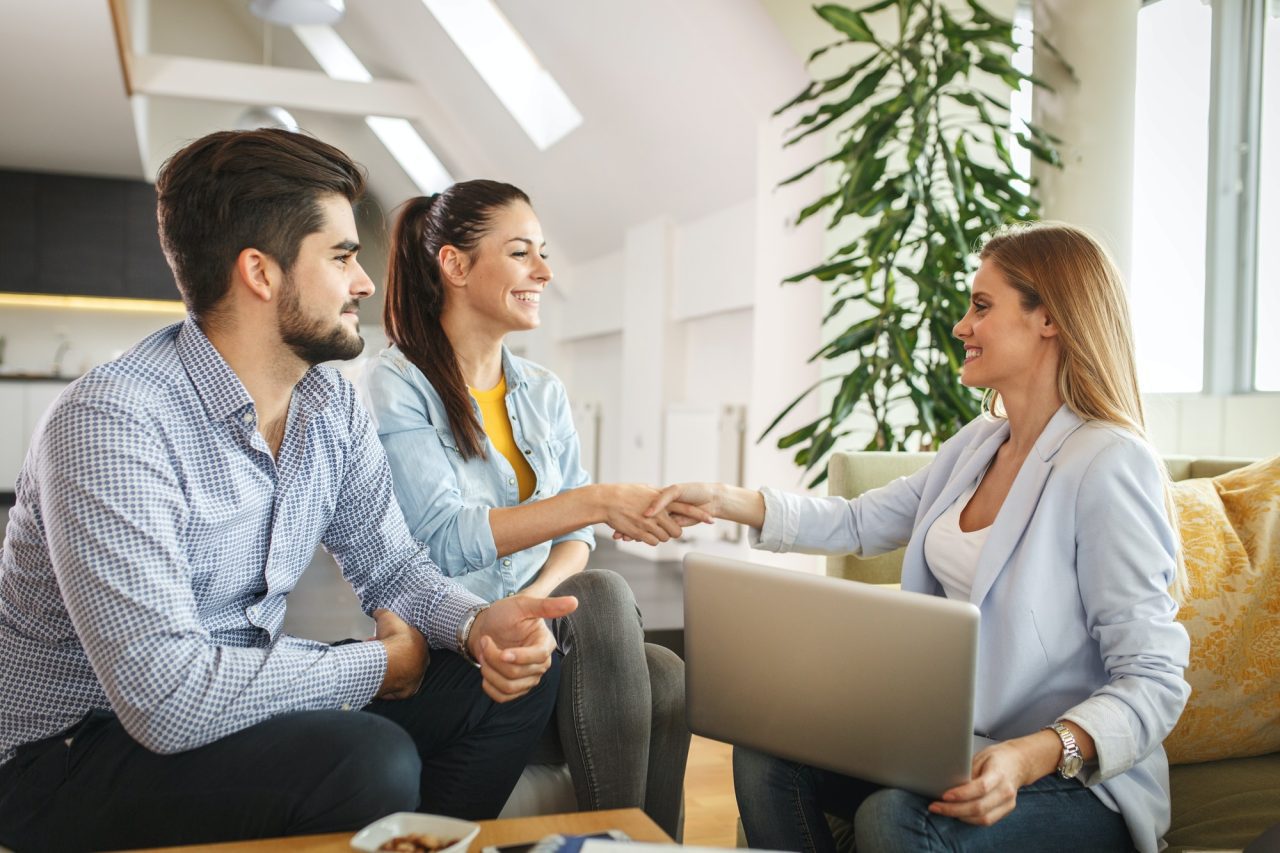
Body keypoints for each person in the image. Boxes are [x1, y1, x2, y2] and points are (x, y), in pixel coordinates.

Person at [0, 129, 576, 852]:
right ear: (260, 274)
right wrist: (374, 665)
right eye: (341, 257)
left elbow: (392, 565)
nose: (364, 282)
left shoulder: (328, 402)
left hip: (229, 707)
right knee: (368, 759)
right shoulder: (114, 422)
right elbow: (163, 697)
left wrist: (475, 626)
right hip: (71, 752)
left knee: (518, 674)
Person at [643, 222, 1191, 853]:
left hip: (1076, 782)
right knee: (767, 752)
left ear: (1050, 319)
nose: (961, 326)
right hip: (954, 748)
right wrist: (723, 501)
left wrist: (1030, 757)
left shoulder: (1106, 462)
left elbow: (1154, 678)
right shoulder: (980, 444)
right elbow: (857, 522)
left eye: (981, 307)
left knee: (893, 818)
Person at [360, 180, 701, 838]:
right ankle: (615, 843)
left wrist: (540, 606)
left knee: (662, 667)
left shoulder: (541, 389)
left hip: (534, 626)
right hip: (452, 637)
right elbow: (444, 540)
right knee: (647, 659)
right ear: (454, 265)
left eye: (543, 252)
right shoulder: (396, 384)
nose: (544, 271)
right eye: (522, 253)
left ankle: (619, 846)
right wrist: (597, 499)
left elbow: (575, 537)